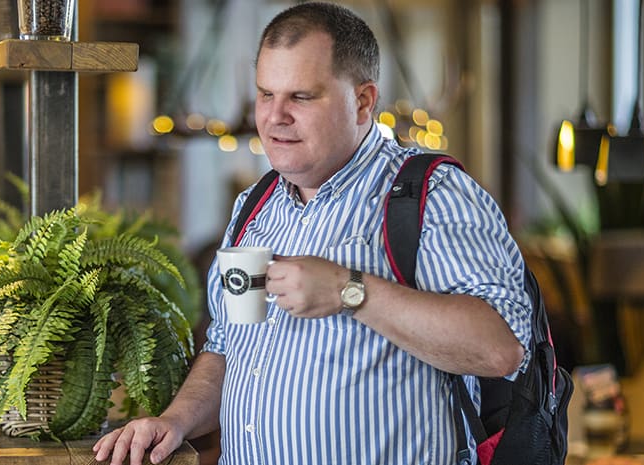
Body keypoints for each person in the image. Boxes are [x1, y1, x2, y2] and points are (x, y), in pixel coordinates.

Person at [93, 3, 532, 464]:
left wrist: (351, 291)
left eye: (301, 97)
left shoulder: (431, 193)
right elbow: (228, 348)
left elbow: (500, 348)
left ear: (363, 101)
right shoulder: (254, 207)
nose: (274, 116)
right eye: (265, 94)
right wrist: (175, 420)